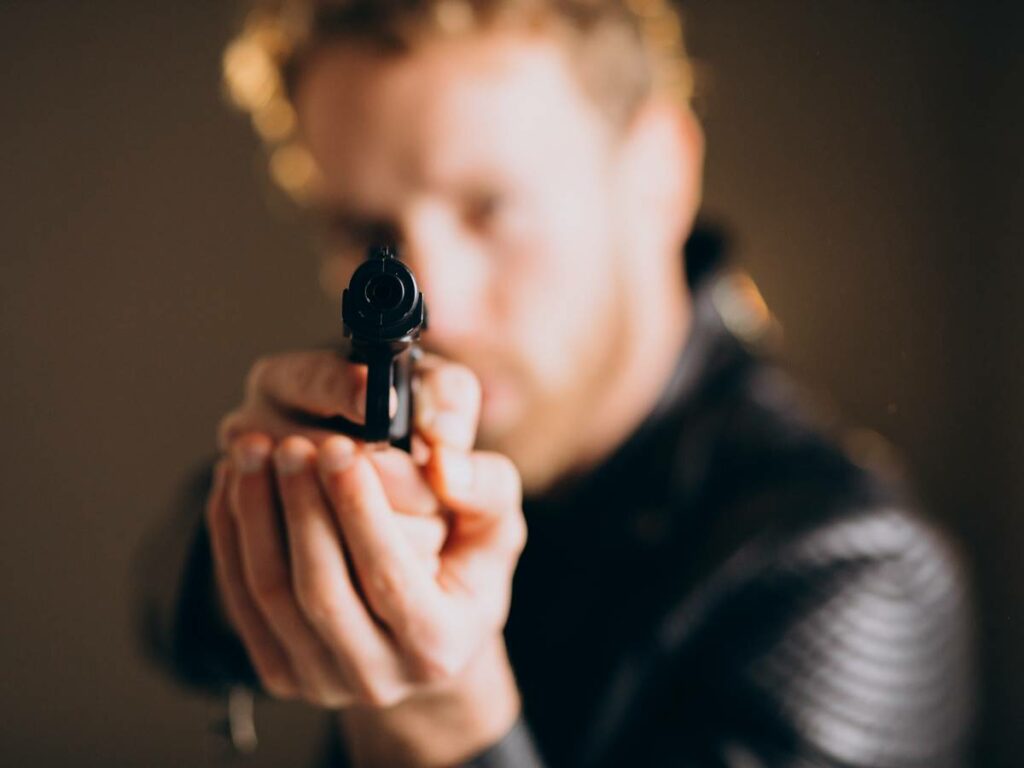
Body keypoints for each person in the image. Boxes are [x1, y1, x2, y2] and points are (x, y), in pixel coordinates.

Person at [134, 1, 975, 766]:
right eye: (369, 231)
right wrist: (263, 517)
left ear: (660, 173)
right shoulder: (399, 389)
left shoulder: (848, 581)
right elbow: (166, 594)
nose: (437, 307)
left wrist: (437, 722)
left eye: (492, 207)